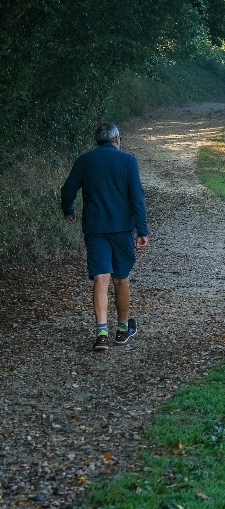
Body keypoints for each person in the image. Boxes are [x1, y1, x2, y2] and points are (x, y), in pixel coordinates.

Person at [61, 122, 150, 352]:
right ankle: (122, 330)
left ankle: (101, 333)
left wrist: (68, 210)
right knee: (121, 279)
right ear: (117, 139)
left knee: (101, 278)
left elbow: (67, 190)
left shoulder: (86, 160)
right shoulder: (129, 161)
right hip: (122, 230)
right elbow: (137, 197)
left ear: (97, 140)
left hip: (95, 229)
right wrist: (142, 231)